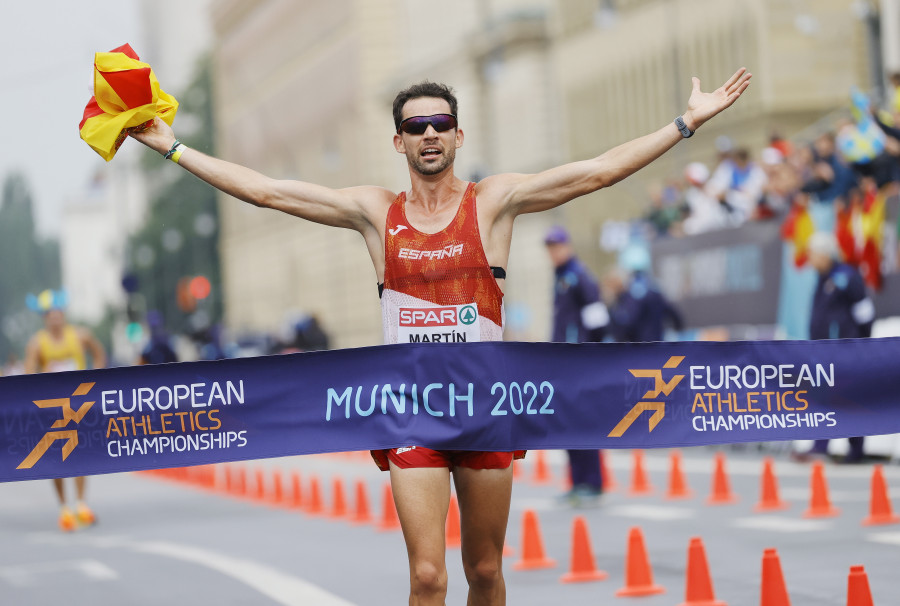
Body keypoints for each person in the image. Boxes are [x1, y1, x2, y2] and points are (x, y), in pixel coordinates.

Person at [132, 68, 751, 605]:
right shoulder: (377, 213)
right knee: (428, 577)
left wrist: (685, 124)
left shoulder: (494, 204)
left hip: (485, 410)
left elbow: (595, 173)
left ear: (458, 135)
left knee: (484, 570)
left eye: (441, 123)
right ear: (397, 140)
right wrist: (172, 146)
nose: (429, 134)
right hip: (413, 413)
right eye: (416, 125)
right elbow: (266, 192)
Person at [23, 290, 107, 531]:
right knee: (56, 457)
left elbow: (99, 353)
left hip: (78, 406)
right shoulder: (37, 343)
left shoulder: (80, 335)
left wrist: (97, 377)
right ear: (44, 317)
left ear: (64, 315)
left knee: (80, 454)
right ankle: (63, 508)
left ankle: (81, 504)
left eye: (58, 313)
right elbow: (29, 375)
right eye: (50, 314)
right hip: (51, 408)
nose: (55, 318)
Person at [544, 225, 607, 505]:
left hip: (579, 362)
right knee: (568, 423)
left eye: (557, 246)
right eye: (550, 248)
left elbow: (598, 320)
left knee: (584, 421)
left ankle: (592, 482)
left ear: (567, 246)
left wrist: (589, 354)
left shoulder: (579, 276)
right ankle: (578, 480)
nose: (553, 252)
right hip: (562, 361)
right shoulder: (561, 276)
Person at [799, 232, 874, 463]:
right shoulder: (821, 279)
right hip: (822, 351)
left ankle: (856, 449)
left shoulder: (847, 276)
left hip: (846, 350)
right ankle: (820, 446)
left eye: (813, 254)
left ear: (824, 254)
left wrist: (860, 343)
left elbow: (865, 312)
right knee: (822, 396)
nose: (810, 259)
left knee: (849, 397)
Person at [606, 246, 683, 343]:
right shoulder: (654, 288)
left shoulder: (632, 296)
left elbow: (628, 322)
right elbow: (672, 312)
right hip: (656, 342)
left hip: (641, 346)